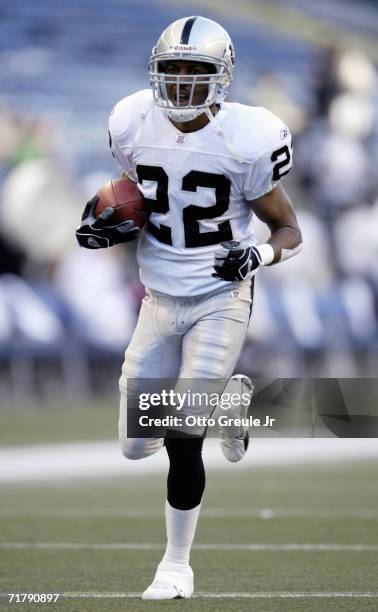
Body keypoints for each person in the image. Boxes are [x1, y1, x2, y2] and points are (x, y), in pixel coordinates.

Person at [76, 15, 303, 600]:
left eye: (193, 70)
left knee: (182, 431)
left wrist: (256, 257)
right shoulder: (131, 121)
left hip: (218, 297)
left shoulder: (247, 137)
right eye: (170, 69)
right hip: (158, 298)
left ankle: (176, 566)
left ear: (220, 78)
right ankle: (233, 407)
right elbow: (137, 198)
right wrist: (105, 224)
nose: (179, 82)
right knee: (134, 444)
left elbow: (289, 230)